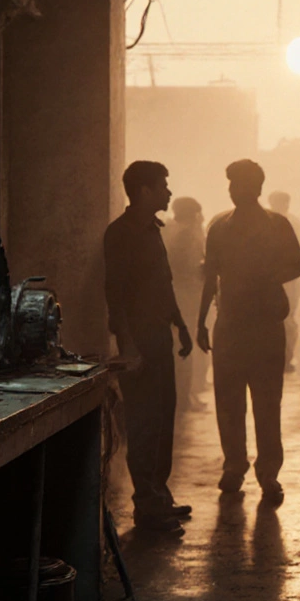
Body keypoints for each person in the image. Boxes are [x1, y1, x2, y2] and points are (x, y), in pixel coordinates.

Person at [197, 160, 300, 505]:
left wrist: (269, 276)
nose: (232, 190)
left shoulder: (278, 226)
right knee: (228, 403)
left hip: (265, 327)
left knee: (266, 404)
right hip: (229, 326)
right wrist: (202, 320)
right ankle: (234, 466)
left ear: (256, 188)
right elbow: (210, 277)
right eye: (230, 184)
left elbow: (298, 264)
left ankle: (268, 472)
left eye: (238, 184)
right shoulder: (219, 228)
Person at [104, 161, 194, 537]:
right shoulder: (121, 234)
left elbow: (165, 284)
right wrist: (129, 348)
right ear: (143, 191)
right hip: (140, 342)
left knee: (162, 419)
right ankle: (148, 508)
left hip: (159, 337)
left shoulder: (153, 231)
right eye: (163, 186)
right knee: (143, 423)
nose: (168, 193)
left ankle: (159, 495)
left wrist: (181, 325)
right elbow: (117, 297)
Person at [163, 196, 208, 412]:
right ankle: (185, 397)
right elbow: (190, 267)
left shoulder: (168, 229)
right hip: (186, 296)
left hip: (175, 294)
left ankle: (185, 395)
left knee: (179, 346)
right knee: (185, 346)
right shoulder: (186, 234)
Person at [268, 191, 300, 375]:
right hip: (276, 279)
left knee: (288, 319)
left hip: (288, 280)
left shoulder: (295, 223)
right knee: (281, 319)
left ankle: (286, 357)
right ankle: (280, 357)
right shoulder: (266, 221)